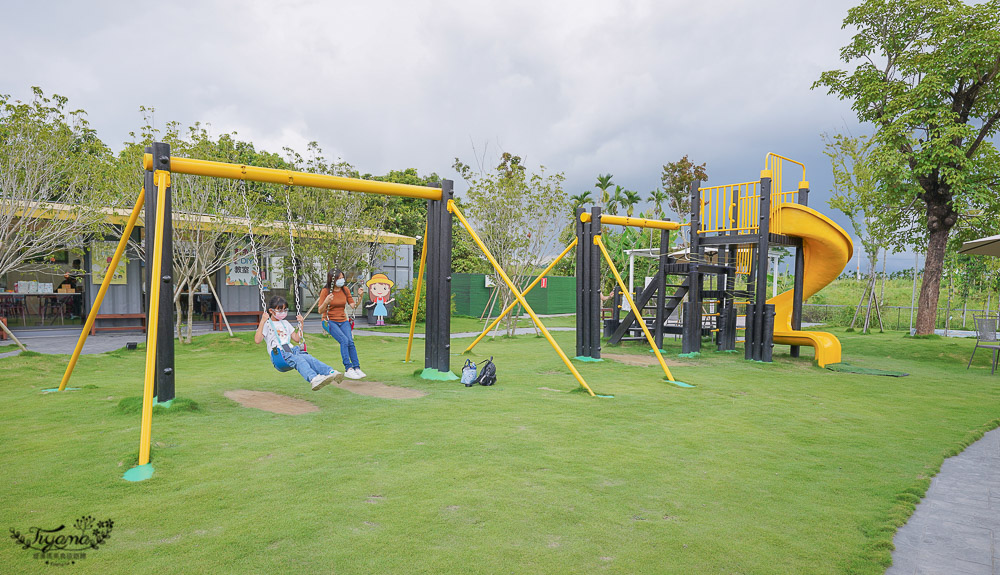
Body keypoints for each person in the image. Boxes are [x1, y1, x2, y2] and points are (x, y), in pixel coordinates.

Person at [255, 295, 343, 391]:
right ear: (271, 311)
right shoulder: (267, 324)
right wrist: (262, 321)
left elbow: (296, 339)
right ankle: (313, 378)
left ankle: (330, 372)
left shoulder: (285, 323)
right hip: (279, 354)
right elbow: (257, 340)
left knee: (308, 358)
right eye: (280, 310)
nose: (283, 313)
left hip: (292, 350)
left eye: (285, 310)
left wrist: (301, 324)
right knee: (299, 360)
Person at [318, 269, 366, 380]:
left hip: (343, 320)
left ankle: (357, 368)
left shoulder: (345, 290)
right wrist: (326, 301)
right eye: (339, 278)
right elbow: (320, 311)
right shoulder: (326, 291)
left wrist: (360, 297)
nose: (341, 280)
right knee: (344, 340)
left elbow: (353, 306)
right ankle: (348, 369)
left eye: (342, 278)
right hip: (329, 321)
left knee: (350, 342)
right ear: (332, 279)